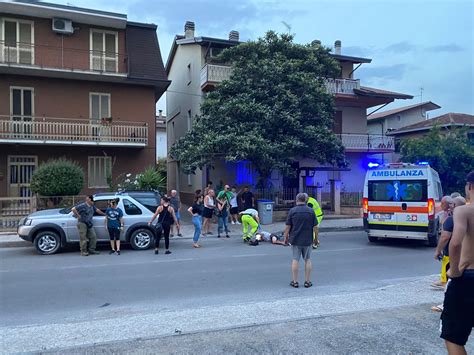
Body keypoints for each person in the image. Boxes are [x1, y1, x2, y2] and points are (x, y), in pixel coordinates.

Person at [440, 171, 474, 354]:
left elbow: (455, 242)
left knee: (453, 337)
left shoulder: (464, 211)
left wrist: (454, 270)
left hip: (467, 279)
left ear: (469, 186)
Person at [432, 196, 466, 312]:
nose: (450, 206)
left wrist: (437, 251)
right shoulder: (468, 218)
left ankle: (446, 304)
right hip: (464, 255)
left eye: (452, 204)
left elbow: (445, 237)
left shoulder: (452, 220)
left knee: (448, 281)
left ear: (455, 206)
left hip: (450, 256)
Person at [284, 193, 318, 288]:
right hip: (307, 240)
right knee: (307, 259)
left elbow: (288, 226)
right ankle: (307, 281)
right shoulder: (311, 211)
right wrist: (316, 239)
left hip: (295, 239)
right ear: (305, 200)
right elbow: (315, 227)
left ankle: (295, 282)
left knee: (295, 259)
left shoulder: (292, 211)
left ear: (296, 200)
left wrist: (285, 237)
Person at [432, 195, 455, 289]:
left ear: (450, 205)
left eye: (442, 203)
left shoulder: (451, 218)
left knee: (447, 261)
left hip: (450, 246)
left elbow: (445, 236)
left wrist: (438, 250)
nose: (440, 205)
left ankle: (445, 281)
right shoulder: (447, 214)